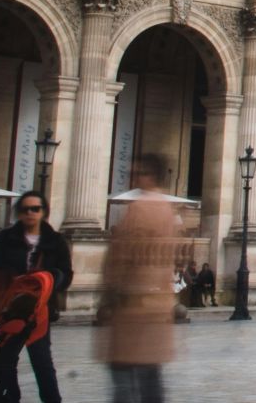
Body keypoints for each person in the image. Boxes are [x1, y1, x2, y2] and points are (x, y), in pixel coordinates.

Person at [99, 153, 177, 402]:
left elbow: (123, 256)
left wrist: (110, 294)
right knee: (150, 373)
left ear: (148, 175)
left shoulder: (141, 208)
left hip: (132, 304)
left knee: (123, 372)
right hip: (159, 302)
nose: (132, 177)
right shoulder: (167, 209)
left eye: (136, 172)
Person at [0, 190, 73, 402]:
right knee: (5, 362)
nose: (30, 213)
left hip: (39, 311)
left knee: (42, 363)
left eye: (35, 208)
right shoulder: (6, 238)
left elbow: (66, 274)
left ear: (44, 212)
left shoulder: (56, 241)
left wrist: (51, 280)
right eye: (25, 209)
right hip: (8, 310)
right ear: (19, 213)